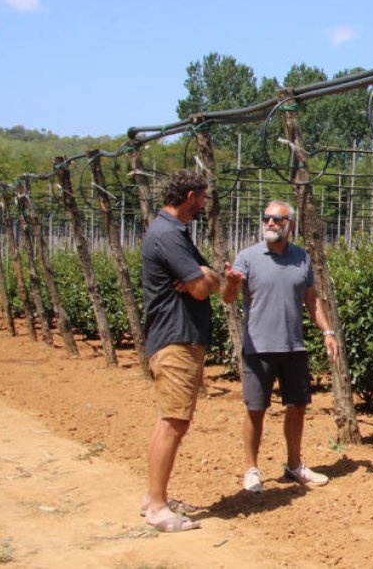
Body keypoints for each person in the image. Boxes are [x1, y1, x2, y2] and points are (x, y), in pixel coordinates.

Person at [222, 200, 339, 494]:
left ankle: (294, 465)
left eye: (277, 219)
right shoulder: (247, 257)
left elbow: (311, 300)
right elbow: (228, 298)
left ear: (291, 225)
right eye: (267, 219)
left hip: (293, 346)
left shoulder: (302, 258)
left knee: (297, 407)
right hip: (258, 347)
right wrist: (231, 284)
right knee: (256, 409)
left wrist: (328, 331)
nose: (270, 224)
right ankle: (251, 470)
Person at [140, 169, 231, 532]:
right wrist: (206, 276)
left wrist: (205, 275)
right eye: (204, 197)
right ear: (191, 196)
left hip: (177, 336)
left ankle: (153, 496)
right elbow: (200, 287)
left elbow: (205, 278)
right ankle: (158, 507)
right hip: (175, 338)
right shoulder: (168, 234)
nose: (205, 203)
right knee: (174, 422)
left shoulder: (171, 231)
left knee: (169, 419)